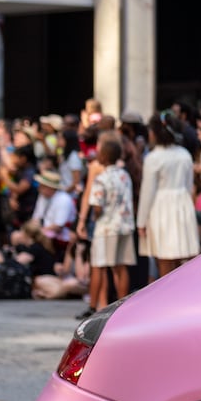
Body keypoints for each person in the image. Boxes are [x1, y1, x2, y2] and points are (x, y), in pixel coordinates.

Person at [77, 132, 136, 316]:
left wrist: (91, 218)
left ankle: (93, 306)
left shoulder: (101, 178)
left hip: (106, 227)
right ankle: (122, 306)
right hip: (124, 225)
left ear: (104, 156)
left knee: (99, 266)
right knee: (121, 266)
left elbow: (97, 206)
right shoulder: (124, 175)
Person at [137, 113, 200, 278]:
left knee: (164, 257)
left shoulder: (153, 158)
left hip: (161, 207)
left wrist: (141, 221)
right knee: (181, 255)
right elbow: (189, 185)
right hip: (182, 203)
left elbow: (147, 192)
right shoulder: (184, 154)